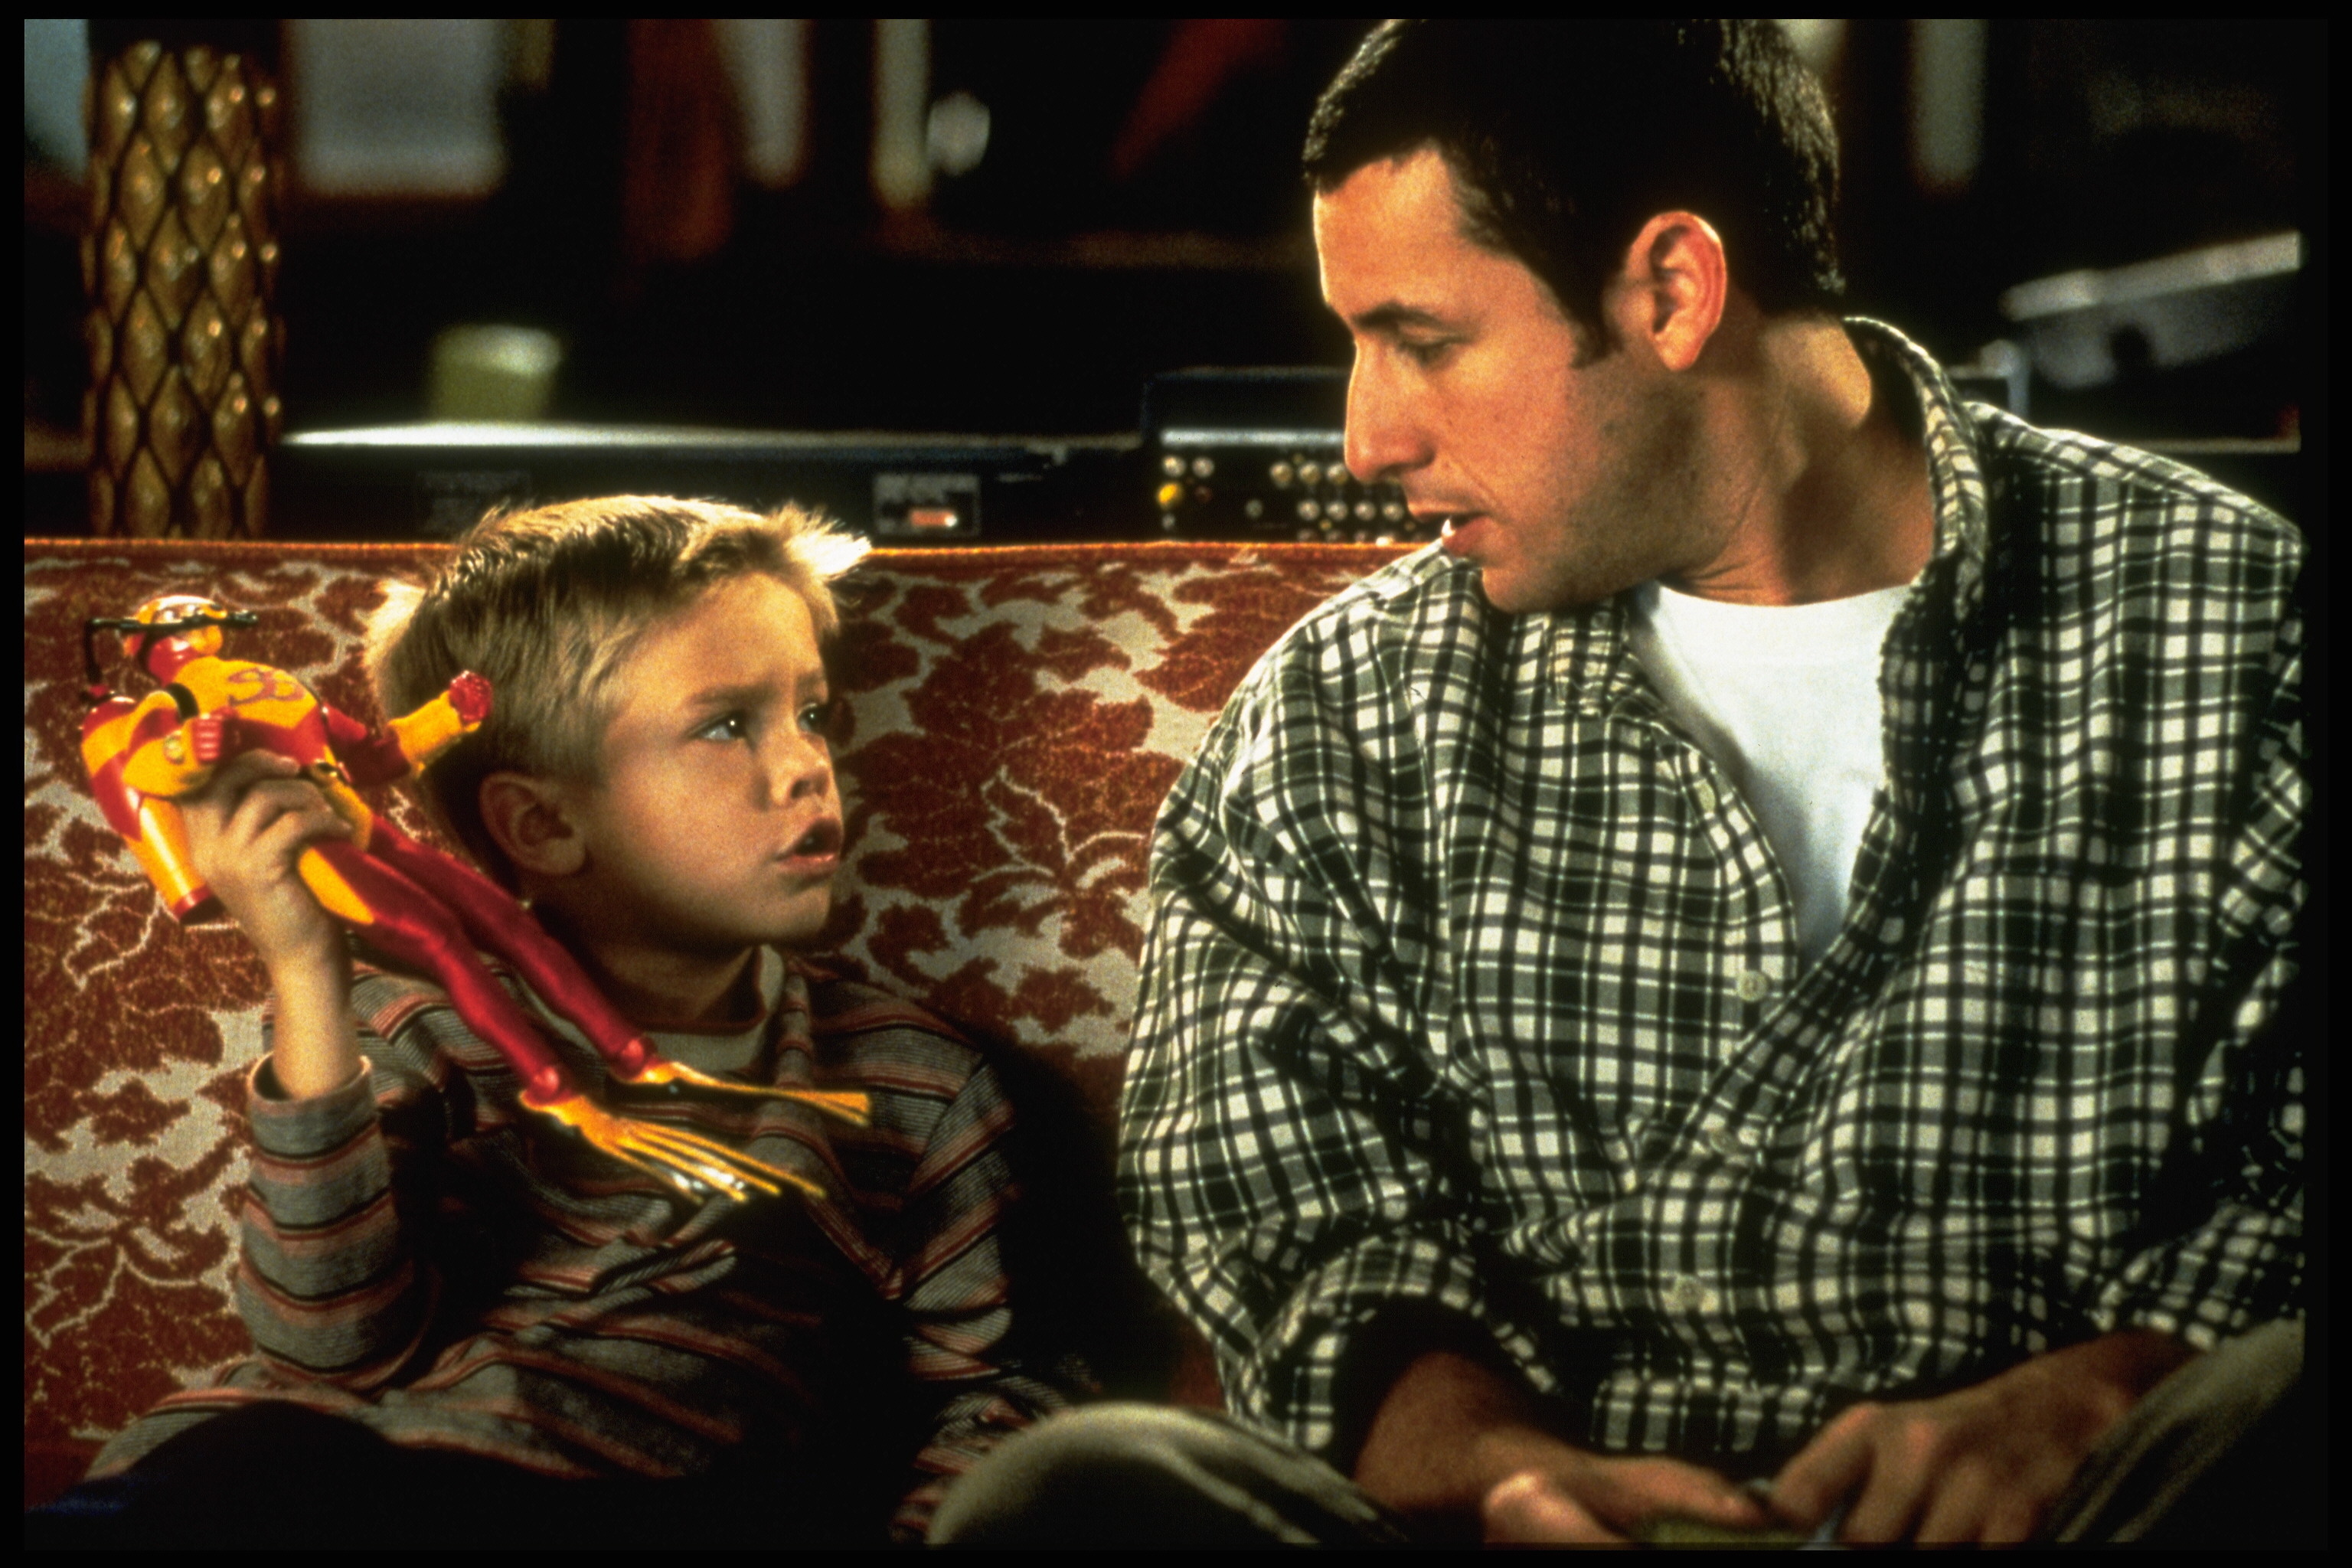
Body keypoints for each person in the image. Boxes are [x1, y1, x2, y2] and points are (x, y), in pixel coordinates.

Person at [929, 19, 2305, 1548]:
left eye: (1424, 340)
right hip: (1522, 1530)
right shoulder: (1348, 711)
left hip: (2077, 1522)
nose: (1366, 438)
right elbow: (1280, 1210)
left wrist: (2107, 1391)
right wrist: (1491, 1461)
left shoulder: (2237, 626)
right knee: (1069, 1497)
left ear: (1670, 289)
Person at [31, 497, 1090, 1548]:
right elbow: (328, 1347)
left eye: (813, 712)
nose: (810, 763)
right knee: (235, 1473)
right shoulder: (419, 1022)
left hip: (626, 1501)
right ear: (541, 824)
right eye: (727, 726)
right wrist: (306, 965)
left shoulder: (910, 1081)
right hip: (308, 1476)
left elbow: (996, 1396)